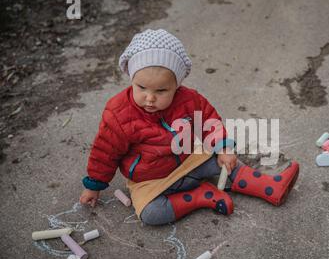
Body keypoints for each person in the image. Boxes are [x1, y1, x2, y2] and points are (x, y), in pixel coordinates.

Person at [79, 29, 299, 225]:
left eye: (161, 91)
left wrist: (223, 148)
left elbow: (208, 121)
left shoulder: (188, 99)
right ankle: (201, 196)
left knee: (227, 164)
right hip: (150, 179)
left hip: (188, 160)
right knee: (151, 214)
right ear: (131, 78)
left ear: (177, 85)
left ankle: (271, 186)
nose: (150, 98)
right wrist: (94, 185)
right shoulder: (118, 113)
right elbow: (104, 153)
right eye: (142, 87)